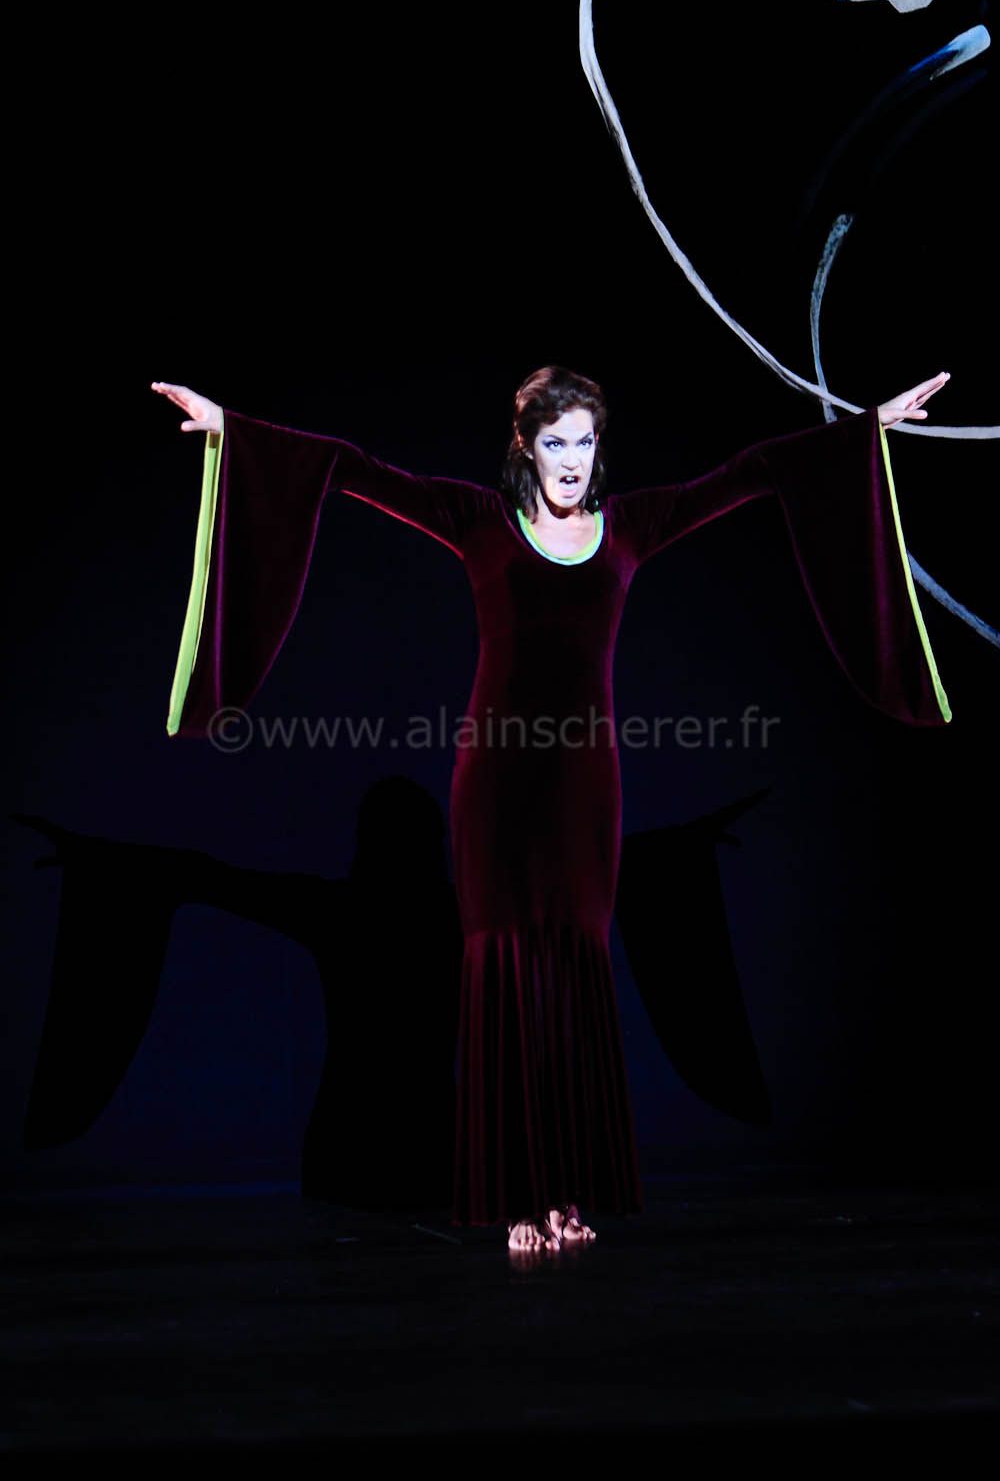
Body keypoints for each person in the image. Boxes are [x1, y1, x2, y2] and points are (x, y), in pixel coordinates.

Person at [152, 365, 951, 1254]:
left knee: (573, 980)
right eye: (555, 441)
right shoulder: (478, 522)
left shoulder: (632, 526)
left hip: (584, 788)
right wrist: (230, 425)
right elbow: (351, 469)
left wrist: (868, 426)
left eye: (585, 441)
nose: (572, 459)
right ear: (526, 447)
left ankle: (568, 1194)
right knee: (508, 981)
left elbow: (756, 471)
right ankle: (519, 1201)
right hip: (496, 784)